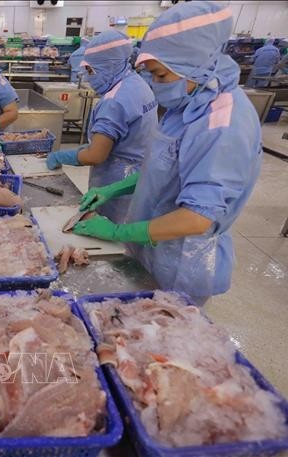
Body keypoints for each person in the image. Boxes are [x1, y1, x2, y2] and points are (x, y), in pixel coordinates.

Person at [72, 1, 262, 305]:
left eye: (160, 75)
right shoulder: (187, 102)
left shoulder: (222, 123)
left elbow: (198, 217)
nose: (155, 85)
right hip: (155, 244)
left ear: (195, 64)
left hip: (183, 260)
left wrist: (119, 230)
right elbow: (165, 168)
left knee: (166, 338)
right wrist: (113, 189)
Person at [46, 30, 158, 223]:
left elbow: (96, 155)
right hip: (140, 177)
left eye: (91, 71)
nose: (88, 78)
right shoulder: (138, 84)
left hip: (117, 183)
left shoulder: (114, 101)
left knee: (110, 234)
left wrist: (62, 155)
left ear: (109, 65)